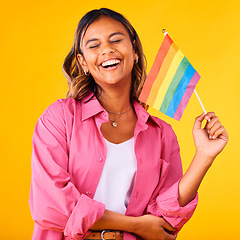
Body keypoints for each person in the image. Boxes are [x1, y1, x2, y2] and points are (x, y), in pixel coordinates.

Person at [29, 8, 228, 240]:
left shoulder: (162, 133)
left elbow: (164, 221)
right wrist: (136, 226)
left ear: (134, 51)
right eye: (94, 45)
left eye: (116, 40)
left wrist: (204, 156)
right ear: (83, 62)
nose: (107, 49)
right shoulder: (59, 117)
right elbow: (50, 204)